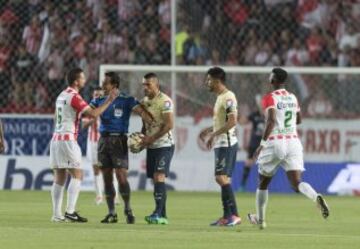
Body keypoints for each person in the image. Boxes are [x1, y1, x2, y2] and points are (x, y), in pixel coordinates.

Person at [248, 68, 330, 229]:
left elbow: (271, 121)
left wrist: (262, 145)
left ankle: (261, 220)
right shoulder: (293, 97)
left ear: (273, 79)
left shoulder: (269, 98)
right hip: (293, 142)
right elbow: (298, 119)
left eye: (270, 75)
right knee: (296, 183)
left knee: (263, 183)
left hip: (275, 142)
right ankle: (316, 197)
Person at [50, 68, 118, 222]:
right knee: (77, 174)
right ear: (76, 81)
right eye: (82, 77)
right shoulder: (74, 96)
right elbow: (93, 114)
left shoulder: (61, 95)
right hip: (67, 139)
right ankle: (70, 211)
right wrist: (109, 100)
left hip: (56, 138)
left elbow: (55, 117)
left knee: (59, 176)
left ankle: (56, 215)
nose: (84, 80)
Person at [90, 72, 153, 224]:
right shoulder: (98, 99)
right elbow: (91, 114)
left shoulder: (127, 99)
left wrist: (146, 129)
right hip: (103, 140)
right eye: (103, 83)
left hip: (119, 140)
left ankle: (128, 208)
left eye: (106, 83)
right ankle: (111, 213)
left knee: (121, 177)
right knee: (106, 178)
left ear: (114, 85)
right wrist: (108, 101)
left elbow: (143, 114)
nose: (103, 86)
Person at [200, 67, 241, 226]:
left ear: (217, 81)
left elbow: (232, 121)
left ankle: (235, 215)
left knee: (220, 177)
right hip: (221, 143)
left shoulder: (229, 97)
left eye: (209, 80)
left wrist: (214, 135)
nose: (207, 82)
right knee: (224, 178)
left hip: (226, 142)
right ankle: (226, 217)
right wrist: (210, 130)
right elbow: (222, 121)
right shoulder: (220, 97)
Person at [140, 73, 175, 225]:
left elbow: (169, 125)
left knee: (159, 176)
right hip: (152, 145)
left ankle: (157, 213)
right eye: (143, 85)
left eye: (148, 85)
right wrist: (142, 139)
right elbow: (145, 125)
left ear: (156, 85)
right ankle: (163, 215)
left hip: (164, 144)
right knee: (156, 179)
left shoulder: (165, 101)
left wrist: (151, 139)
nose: (145, 88)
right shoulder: (144, 102)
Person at [238, 95, 264, 191]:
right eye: (259, 103)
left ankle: (262, 186)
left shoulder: (270, 114)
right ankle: (242, 185)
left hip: (265, 144)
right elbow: (242, 122)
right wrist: (237, 117)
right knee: (248, 163)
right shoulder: (254, 115)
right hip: (254, 143)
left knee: (264, 165)